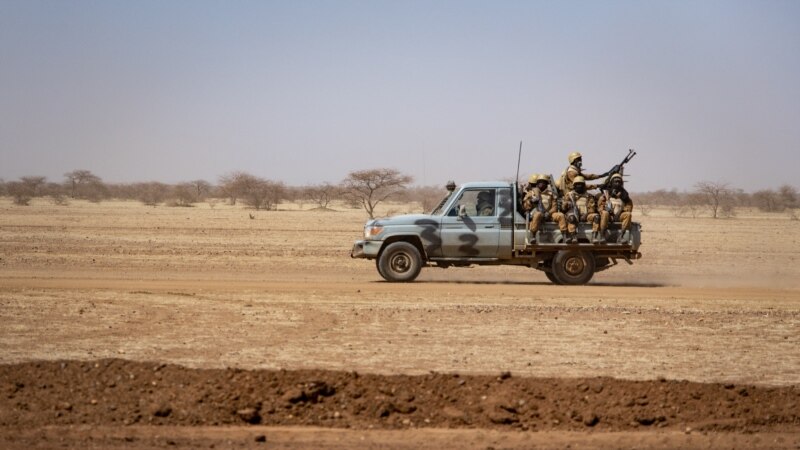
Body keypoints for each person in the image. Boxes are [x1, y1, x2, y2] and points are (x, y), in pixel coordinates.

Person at [522, 174, 566, 243]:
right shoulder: (532, 193)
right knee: (537, 214)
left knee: (561, 215)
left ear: (546, 184)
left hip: (549, 214)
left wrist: (548, 213)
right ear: (537, 183)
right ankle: (533, 236)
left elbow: (554, 207)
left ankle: (564, 236)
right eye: (539, 182)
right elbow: (525, 206)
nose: (541, 184)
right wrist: (530, 201)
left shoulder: (551, 194)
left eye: (543, 182)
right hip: (538, 214)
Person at [562, 176, 600, 244]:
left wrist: (586, 215)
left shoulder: (589, 196)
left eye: (581, 184)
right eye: (577, 184)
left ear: (584, 185)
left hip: (586, 215)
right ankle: (573, 236)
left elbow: (592, 208)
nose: (579, 186)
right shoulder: (569, 195)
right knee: (571, 218)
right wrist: (567, 204)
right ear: (574, 185)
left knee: (596, 217)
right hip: (573, 214)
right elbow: (563, 209)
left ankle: (594, 236)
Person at [597, 173, 634, 243]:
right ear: (612, 182)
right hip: (609, 216)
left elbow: (629, 207)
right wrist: (605, 210)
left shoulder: (625, 195)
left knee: (628, 214)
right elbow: (600, 206)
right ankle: (602, 236)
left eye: (619, 182)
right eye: (615, 182)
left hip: (619, 215)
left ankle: (621, 236)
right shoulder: (606, 194)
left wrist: (621, 211)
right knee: (604, 213)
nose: (617, 183)